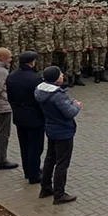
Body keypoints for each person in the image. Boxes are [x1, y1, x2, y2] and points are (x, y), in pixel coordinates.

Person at [35, 65, 81, 204]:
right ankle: (59, 194)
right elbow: (69, 113)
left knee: (50, 159)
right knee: (62, 163)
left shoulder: (39, 91)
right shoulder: (58, 95)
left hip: (50, 129)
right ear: (55, 78)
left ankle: (46, 188)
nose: (62, 75)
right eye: (60, 74)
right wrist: (76, 105)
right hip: (63, 132)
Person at [6, 51, 46, 184]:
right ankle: (34, 175)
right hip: (34, 117)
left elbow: (10, 97)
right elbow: (39, 99)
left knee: (24, 145)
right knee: (36, 146)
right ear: (31, 62)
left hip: (19, 116)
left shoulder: (11, 76)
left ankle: (28, 171)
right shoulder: (36, 78)